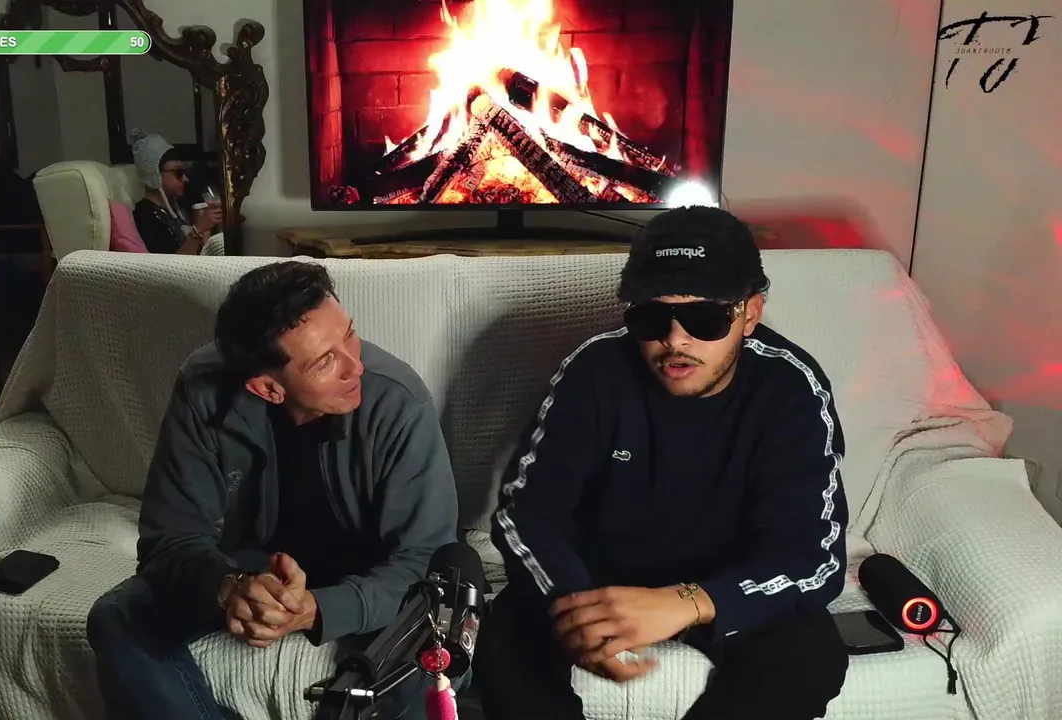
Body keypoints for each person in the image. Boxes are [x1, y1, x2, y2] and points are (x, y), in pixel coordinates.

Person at [475, 207, 850, 720]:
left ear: (750, 313)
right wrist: (580, 608)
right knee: (505, 642)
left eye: (705, 319)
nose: (675, 341)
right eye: (651, 318)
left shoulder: (791, 388)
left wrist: (689, 601)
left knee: (809, 655)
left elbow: (813, 556)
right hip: (602, 581)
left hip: (727, 586)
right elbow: (528, 513)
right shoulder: (594, 370)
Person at [87, 260, 462, 720]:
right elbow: (169, 538)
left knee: (433, 655)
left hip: (369, 571)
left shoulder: (398, 400)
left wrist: (317, 609)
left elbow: (425, 559)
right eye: (324, 361)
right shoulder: (204, 389)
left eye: (349, 334)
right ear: (268, 388)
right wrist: (231, 587)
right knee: (117, 617)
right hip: (252, 566)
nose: (355, 365)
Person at [129, 128, 222, 254]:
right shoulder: (144, 215)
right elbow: (168, 264)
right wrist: (198, 230)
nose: (185, 179)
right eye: (178, 173)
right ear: (155, 175)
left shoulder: (175, 211)